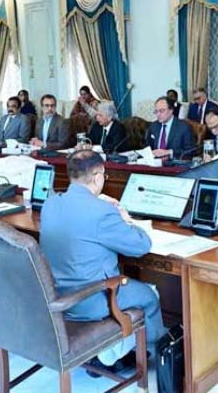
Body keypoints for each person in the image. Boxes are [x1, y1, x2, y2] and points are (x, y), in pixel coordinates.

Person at [40, 150, 164, 371]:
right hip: (91, 300)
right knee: (150, 295)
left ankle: (112, 350)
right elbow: (141, 246)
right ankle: (153, 352)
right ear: (98, 177)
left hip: (57, 295)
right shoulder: (102, 211)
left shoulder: (50, 204)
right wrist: (124, 218)